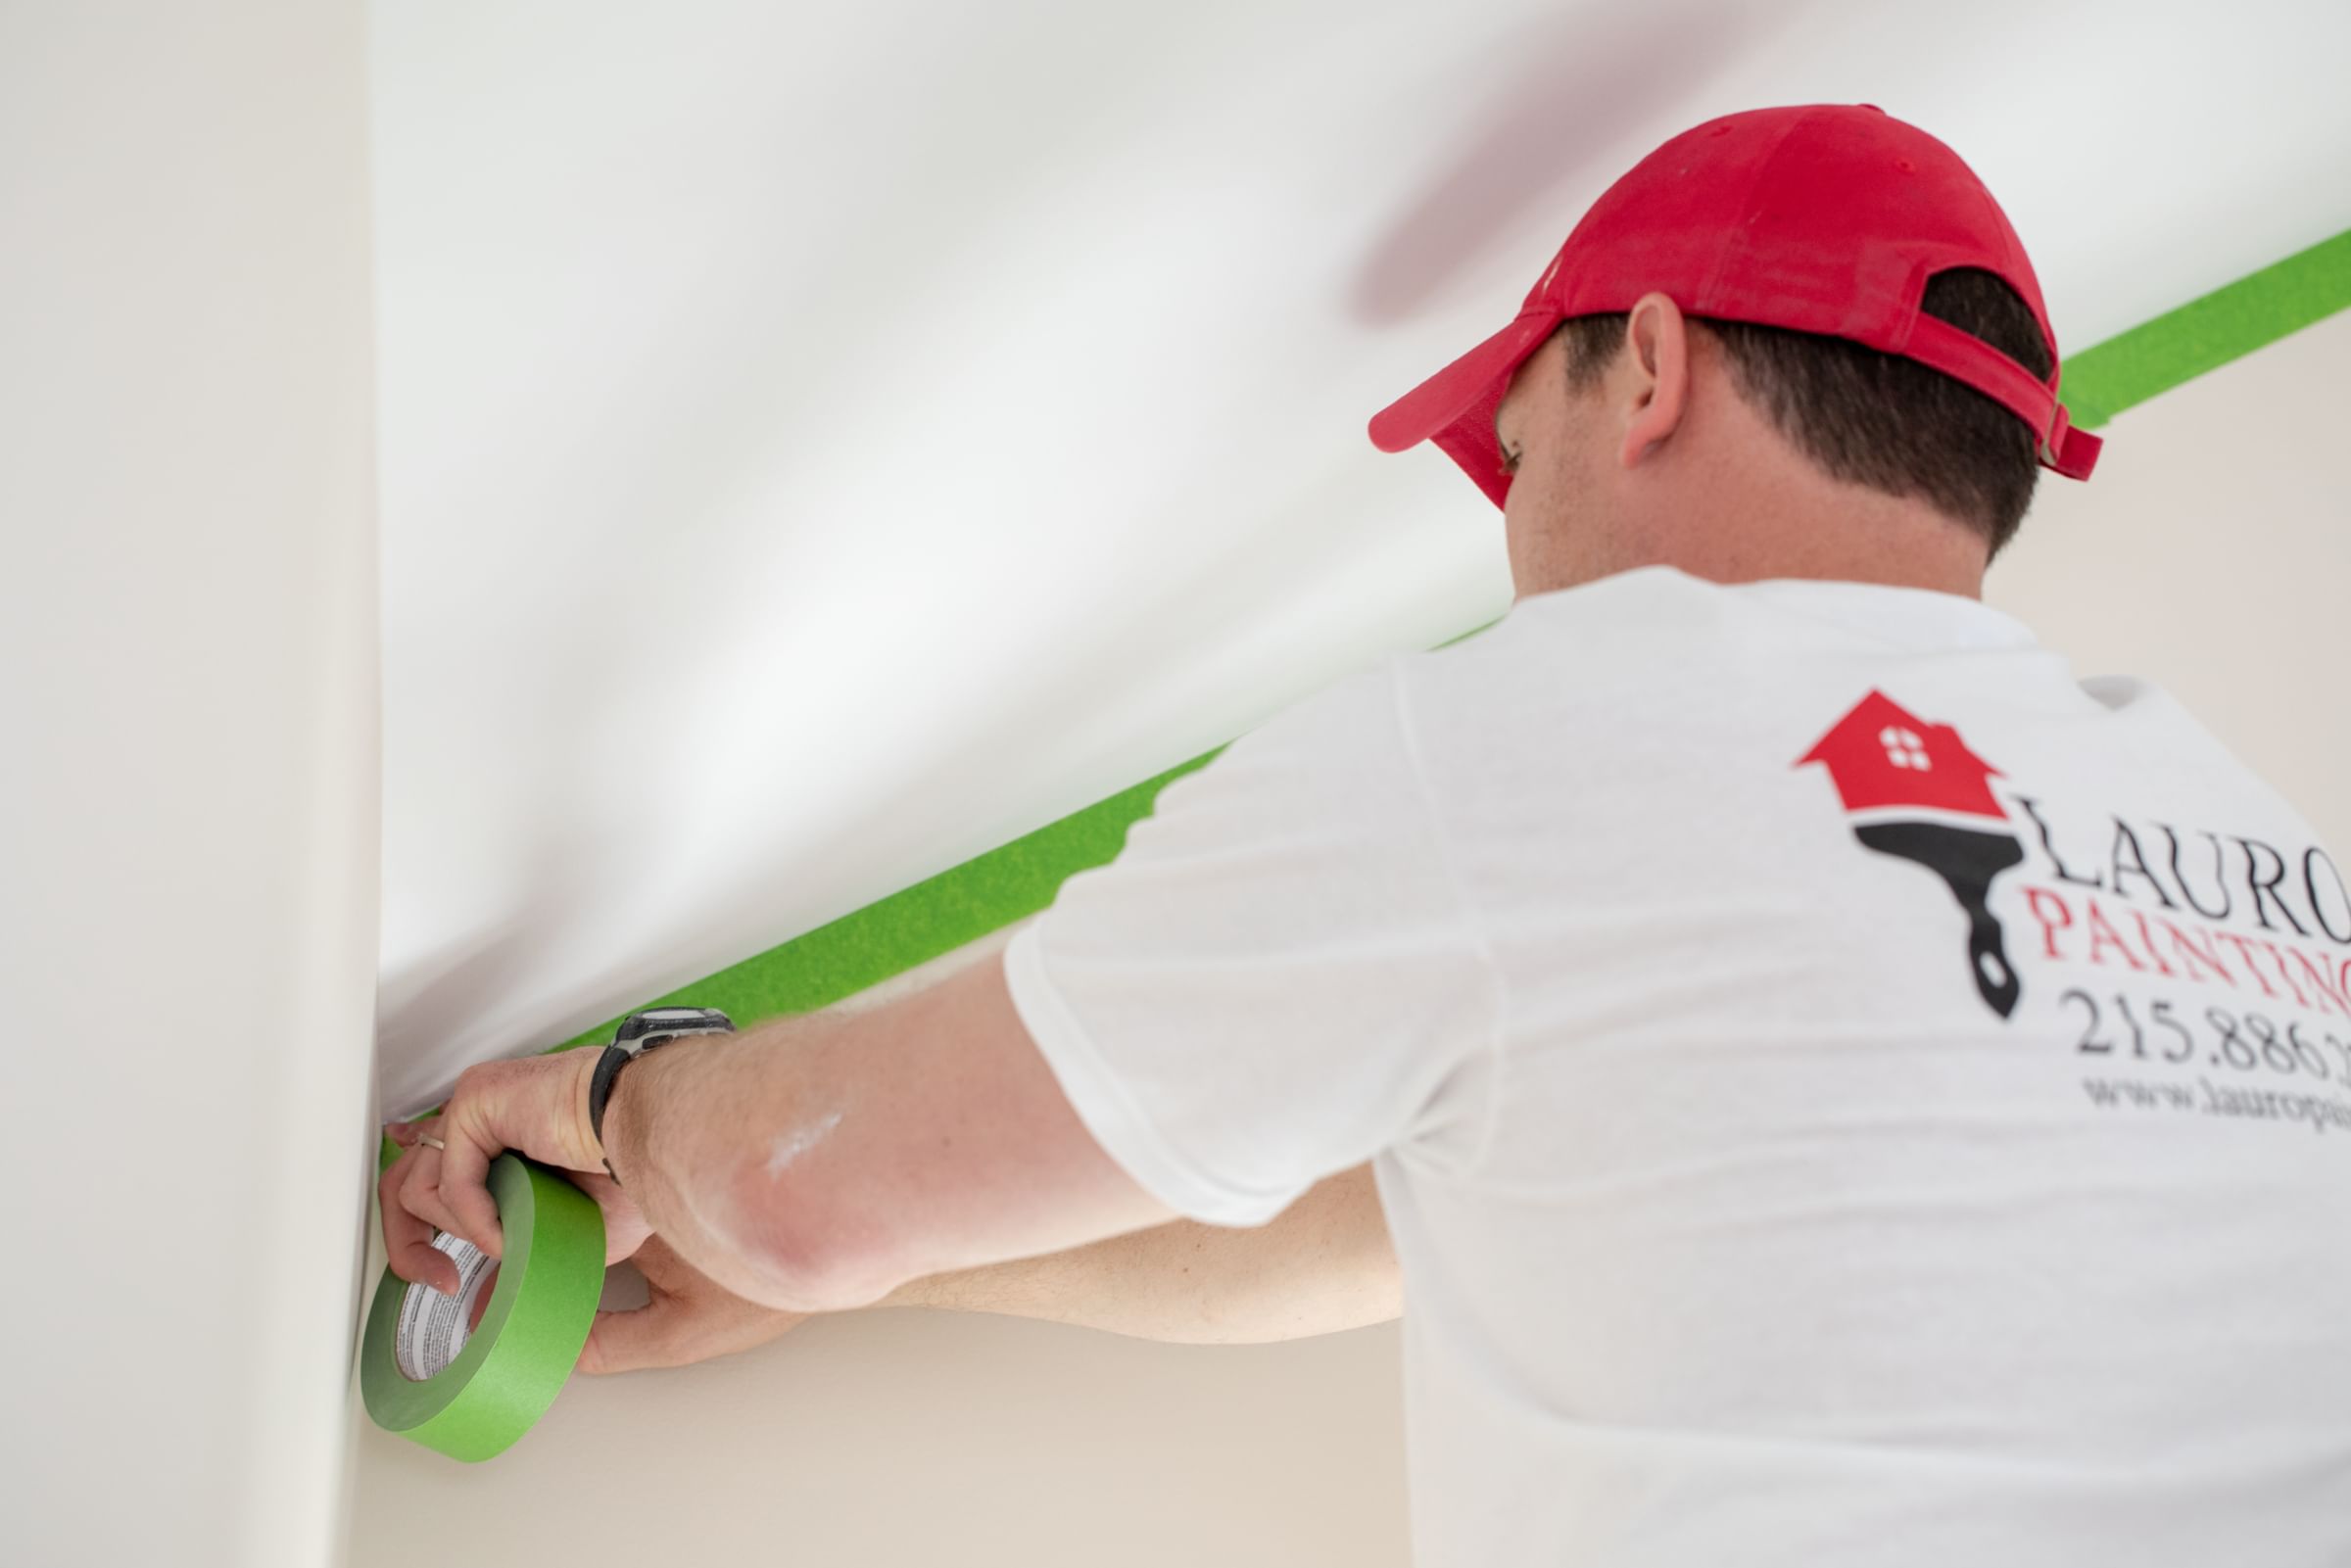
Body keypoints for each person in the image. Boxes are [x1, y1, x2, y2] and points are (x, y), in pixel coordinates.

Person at [381, 104, 2351, 1565]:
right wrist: (868, 1265)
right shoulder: (2241, 829)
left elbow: (804, 1183)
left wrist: (623, 1106)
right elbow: (1387, 1223)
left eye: (1517, 449)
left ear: (1648, 367)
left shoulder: (1554, 723)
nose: (1514, 530)